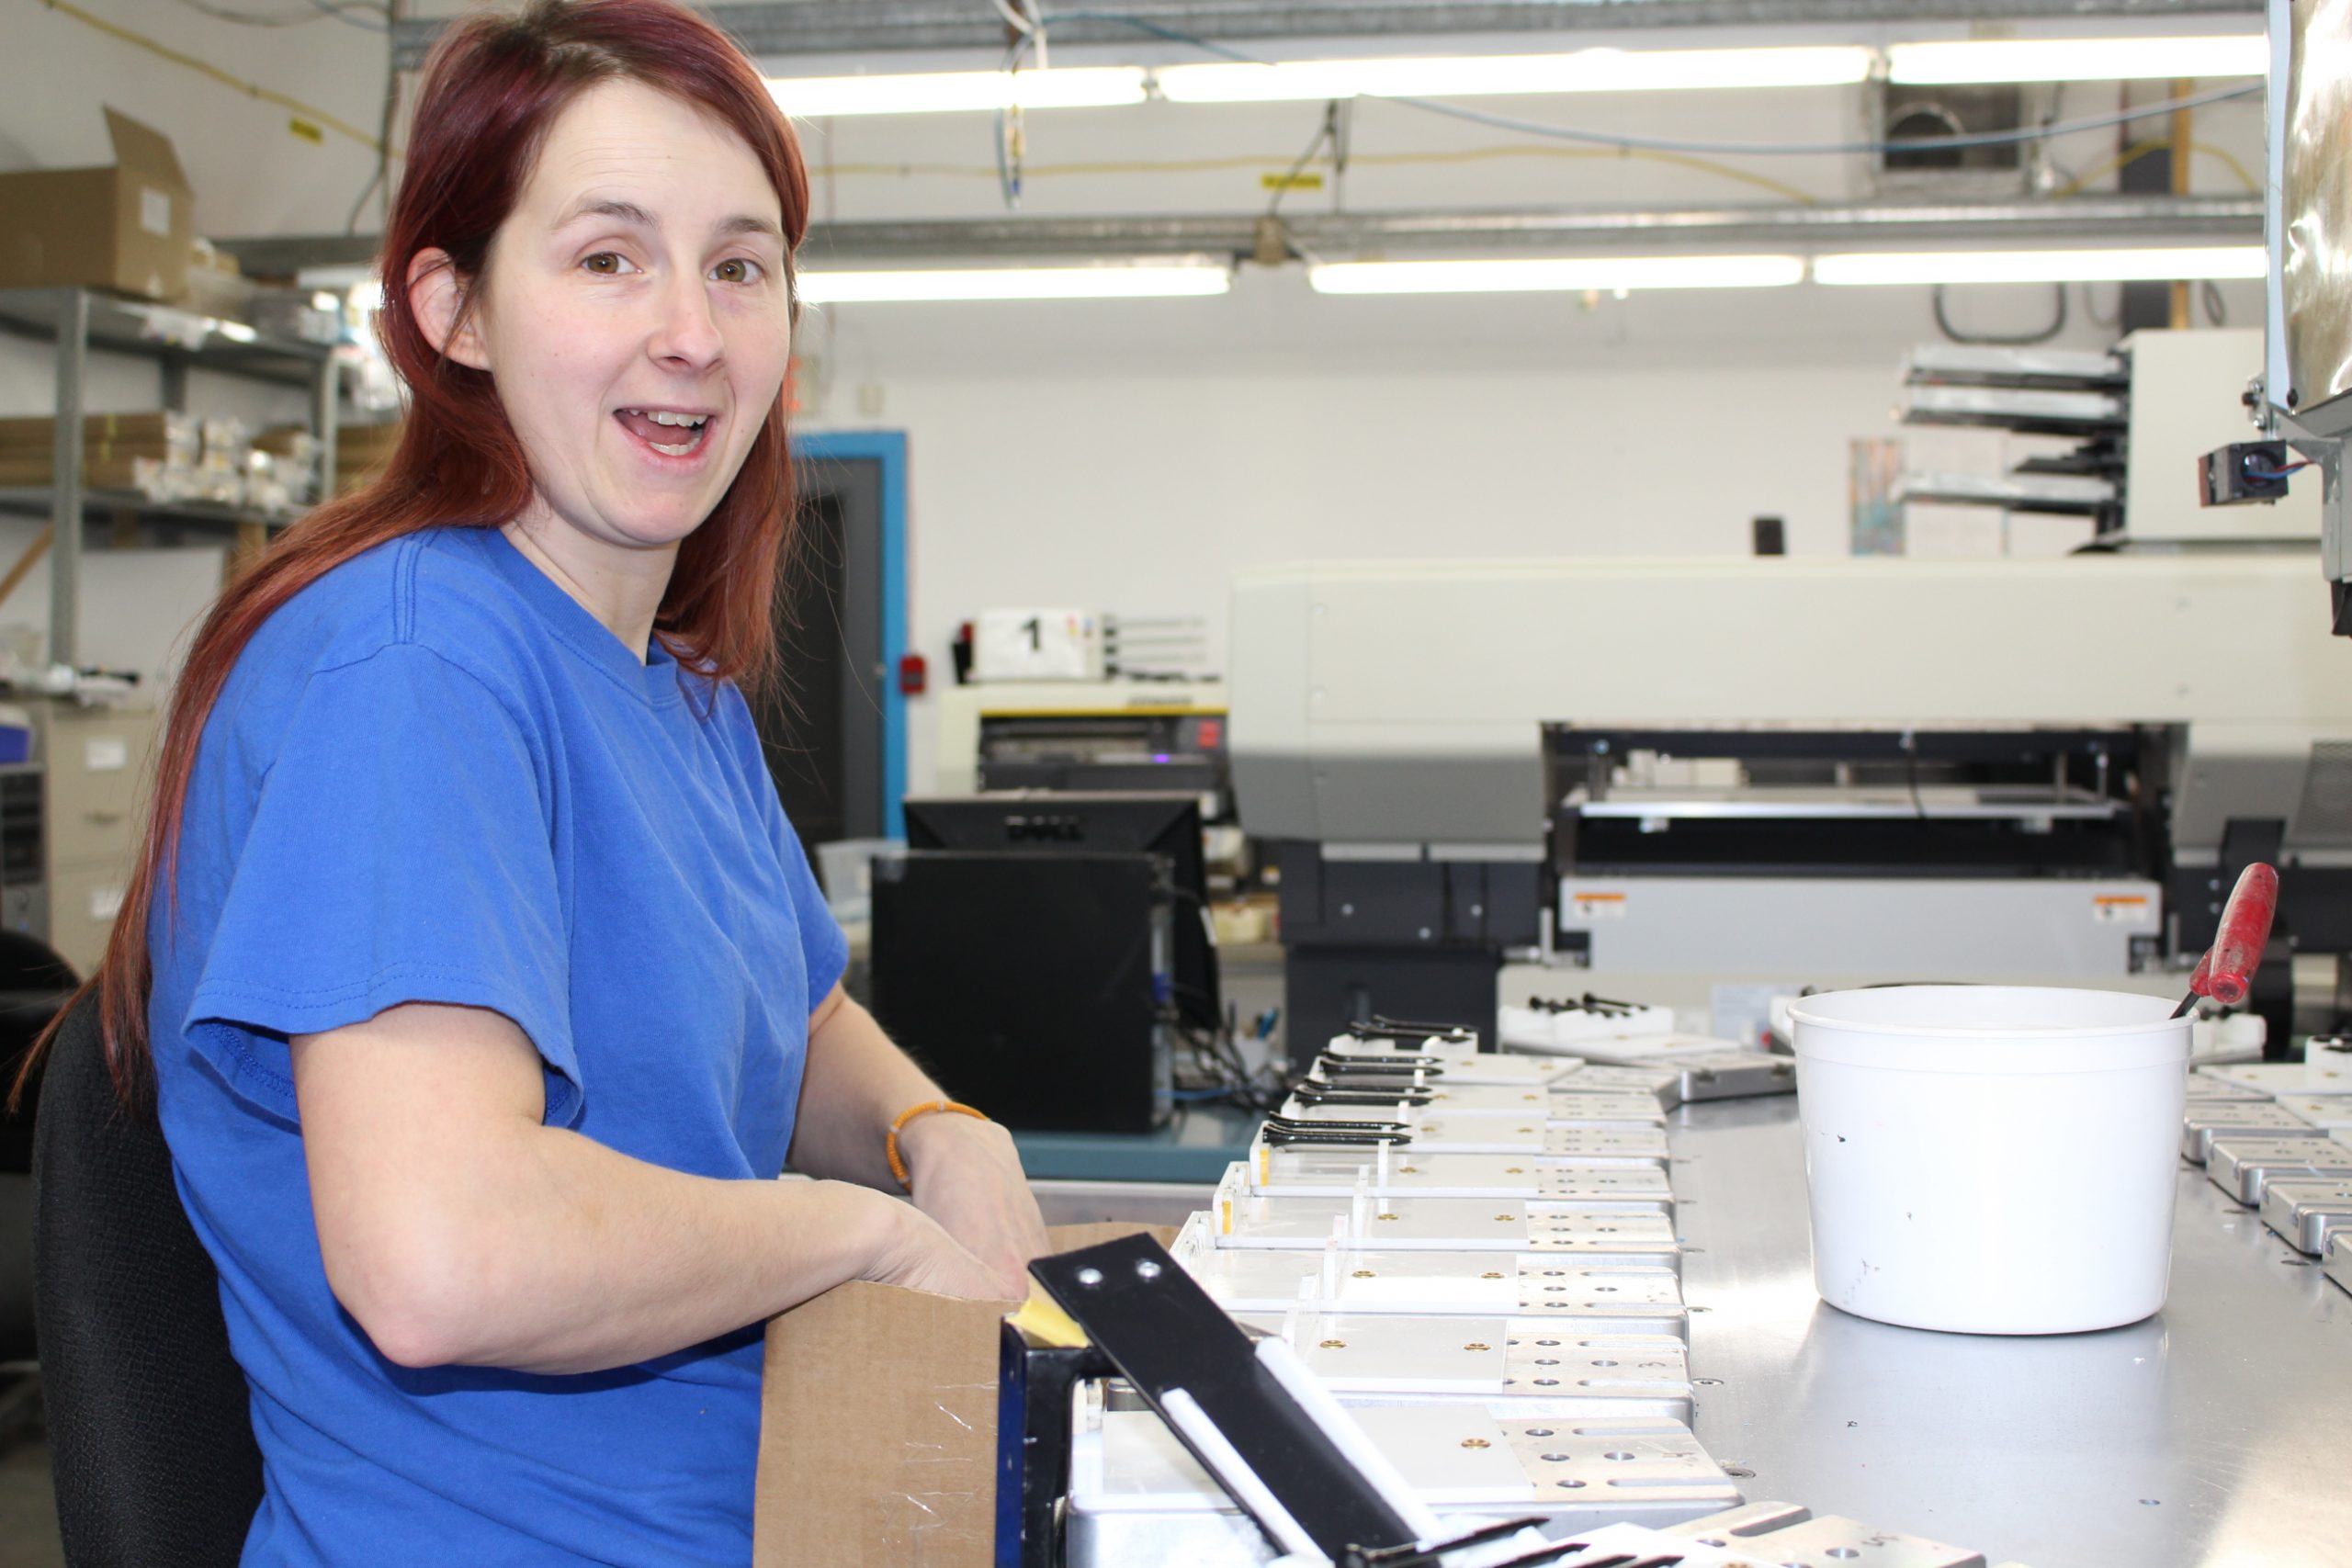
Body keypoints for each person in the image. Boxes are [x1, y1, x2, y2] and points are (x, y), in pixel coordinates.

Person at [42, 2, 1051, 1562]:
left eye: (739, 264)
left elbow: (795, 1013)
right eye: (606, 258)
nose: (692, 332)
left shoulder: (676, 690)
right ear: (454, 310)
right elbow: (444, 1256)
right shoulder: (416, 665)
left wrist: (935, 1130)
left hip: (772, 1500)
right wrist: (853, 1228)